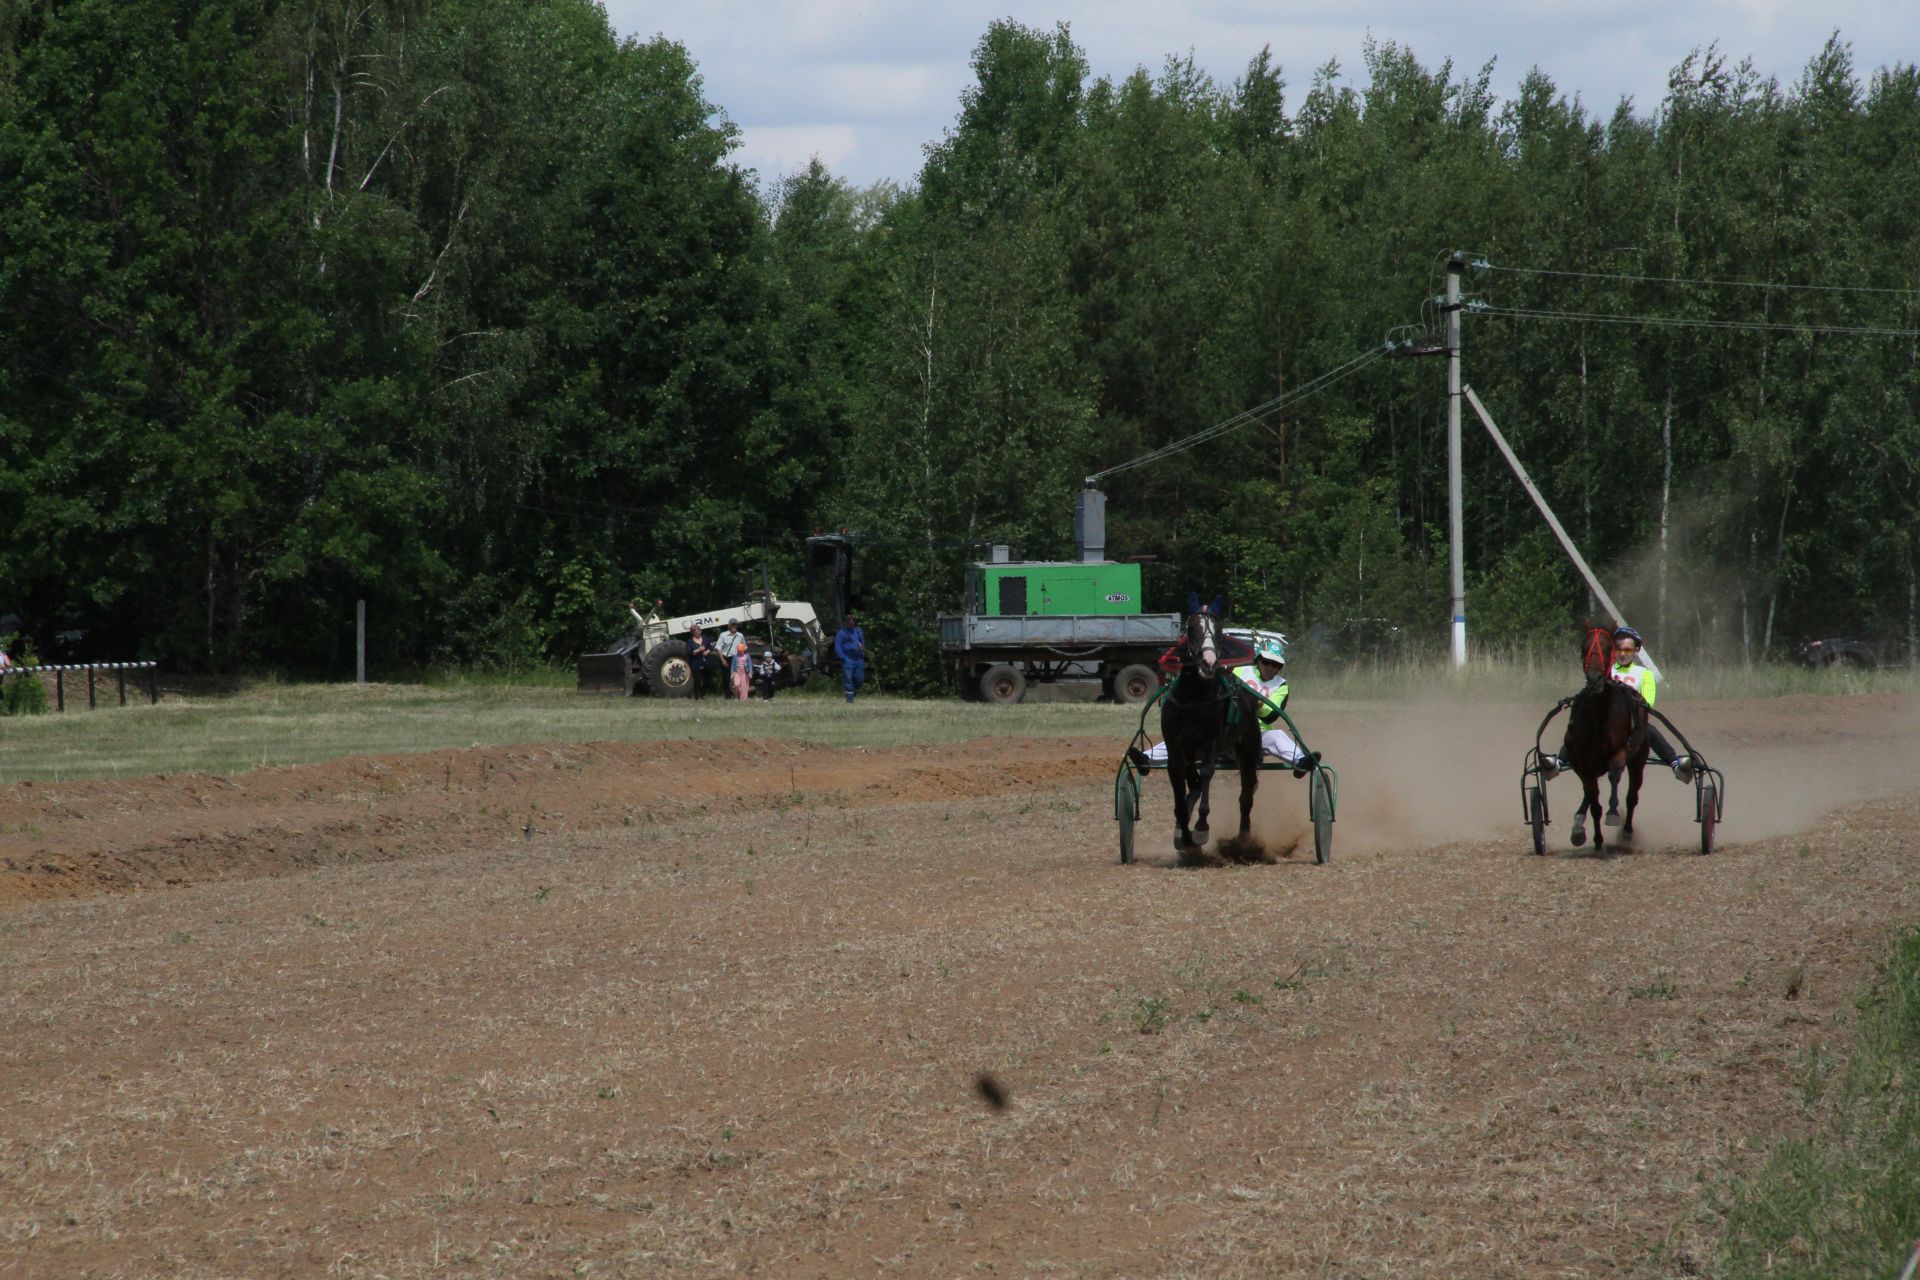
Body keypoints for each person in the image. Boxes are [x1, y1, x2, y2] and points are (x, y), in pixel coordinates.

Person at [1129, 636, 1314, 770]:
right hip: (1222, 731)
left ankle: (1301, 762)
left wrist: (1256, 704)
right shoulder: (1239, 671)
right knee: (1184, 738)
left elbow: (1272, 714)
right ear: (1258, 659)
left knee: (1278, 736)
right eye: (1266, 662)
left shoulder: (1280, 686)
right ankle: (1146, 757)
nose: (1270, 668)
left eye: (1276, 665)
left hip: (1255, 737)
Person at [1542, 624, 1693, 782]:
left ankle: (1676, 764)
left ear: (1636, 651)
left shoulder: (1644, 674)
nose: (1622, 654)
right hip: (1602, 723)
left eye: (1627, 650)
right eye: (1619, 650)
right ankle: (1558, 762)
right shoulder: (1605, 671)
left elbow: (1648, 702)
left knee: (1649, 731)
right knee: (1579, 730)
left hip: (1631, 725)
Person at [835, 613, 867, 702]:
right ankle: (850, 700)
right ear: (845, 623)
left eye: (852, 621)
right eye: (849, 622)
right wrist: (843, 657)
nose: (851, 623)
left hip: (859, 659)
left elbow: (862, 643)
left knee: (859, 679)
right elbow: (838, 647)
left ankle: (853, 693)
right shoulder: (841, 633)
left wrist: (863, 652)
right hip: (848, 658)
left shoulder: (858, 631)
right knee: (848, 678)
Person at [684, 624, 713, 698]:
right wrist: (698, 650)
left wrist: (708, 651)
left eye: (700, 630)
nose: (699, 632)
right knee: (697, 681)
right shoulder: (690, 642)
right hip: (696, 663)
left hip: (706, 662)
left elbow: (710, 647)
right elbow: (689, 653)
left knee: (708, 679)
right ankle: (697, 696)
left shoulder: (705, 638)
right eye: (697, 631)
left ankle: (703, 692)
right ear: (693, 632)